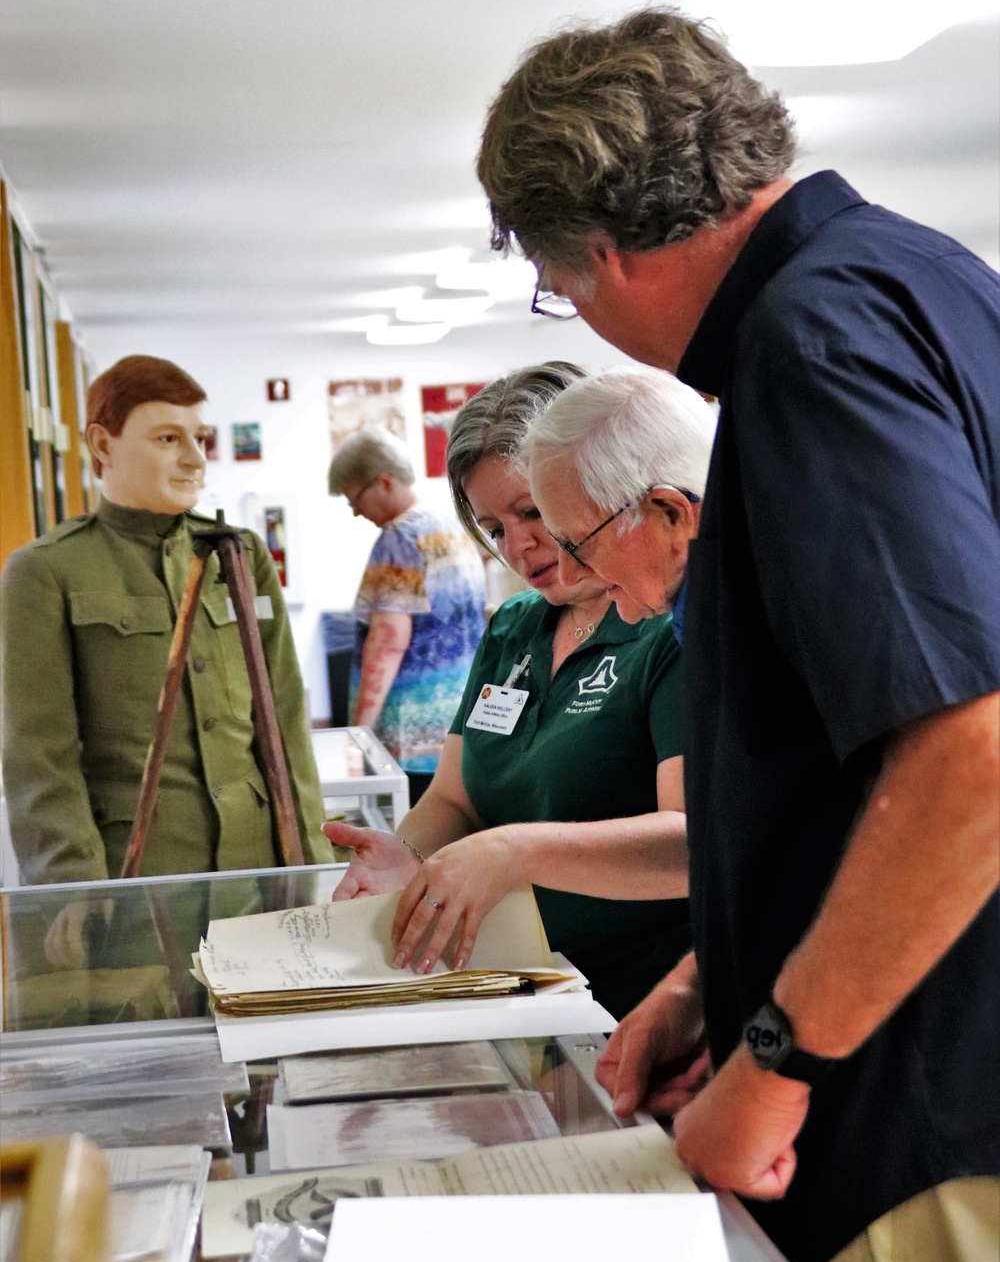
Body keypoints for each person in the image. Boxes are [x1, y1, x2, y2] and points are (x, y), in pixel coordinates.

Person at [483, 8, 1000, 1262]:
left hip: (920, 1111)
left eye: (563, 290)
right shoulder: (930, 278)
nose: (585, 319)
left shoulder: (810, 340)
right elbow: (844, 772)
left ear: (602, 249)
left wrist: (774, 1058)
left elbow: (974, 754)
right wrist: (718, 980)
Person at [324, 362, 715, 1021]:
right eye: (495, 527)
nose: (524, 544)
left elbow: (692, 842)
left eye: (534, 511)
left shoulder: (667, 625)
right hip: (521, 991)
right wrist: (410, 858)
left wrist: (513, 851)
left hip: (646, 1002)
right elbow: (454, 796)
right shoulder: (514, 627)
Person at [0, 354, 332, 969]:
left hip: (256, 874)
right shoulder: (46, 572)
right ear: (103, 443)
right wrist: (73, 886)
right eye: (168, 438)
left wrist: (305, 862)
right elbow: (37, 753)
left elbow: (284, 713)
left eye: (198, 438)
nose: (195, 458)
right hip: (137, 884)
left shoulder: (240, 555)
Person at [327, 428, 485, 804]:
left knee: (409, 843)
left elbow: (387, 642)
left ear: (384, 482)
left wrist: (357, 733)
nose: (355, 511)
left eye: (355, 498)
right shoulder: (455, 526)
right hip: (460, 726)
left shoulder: (398, 539)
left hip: (410, 736)